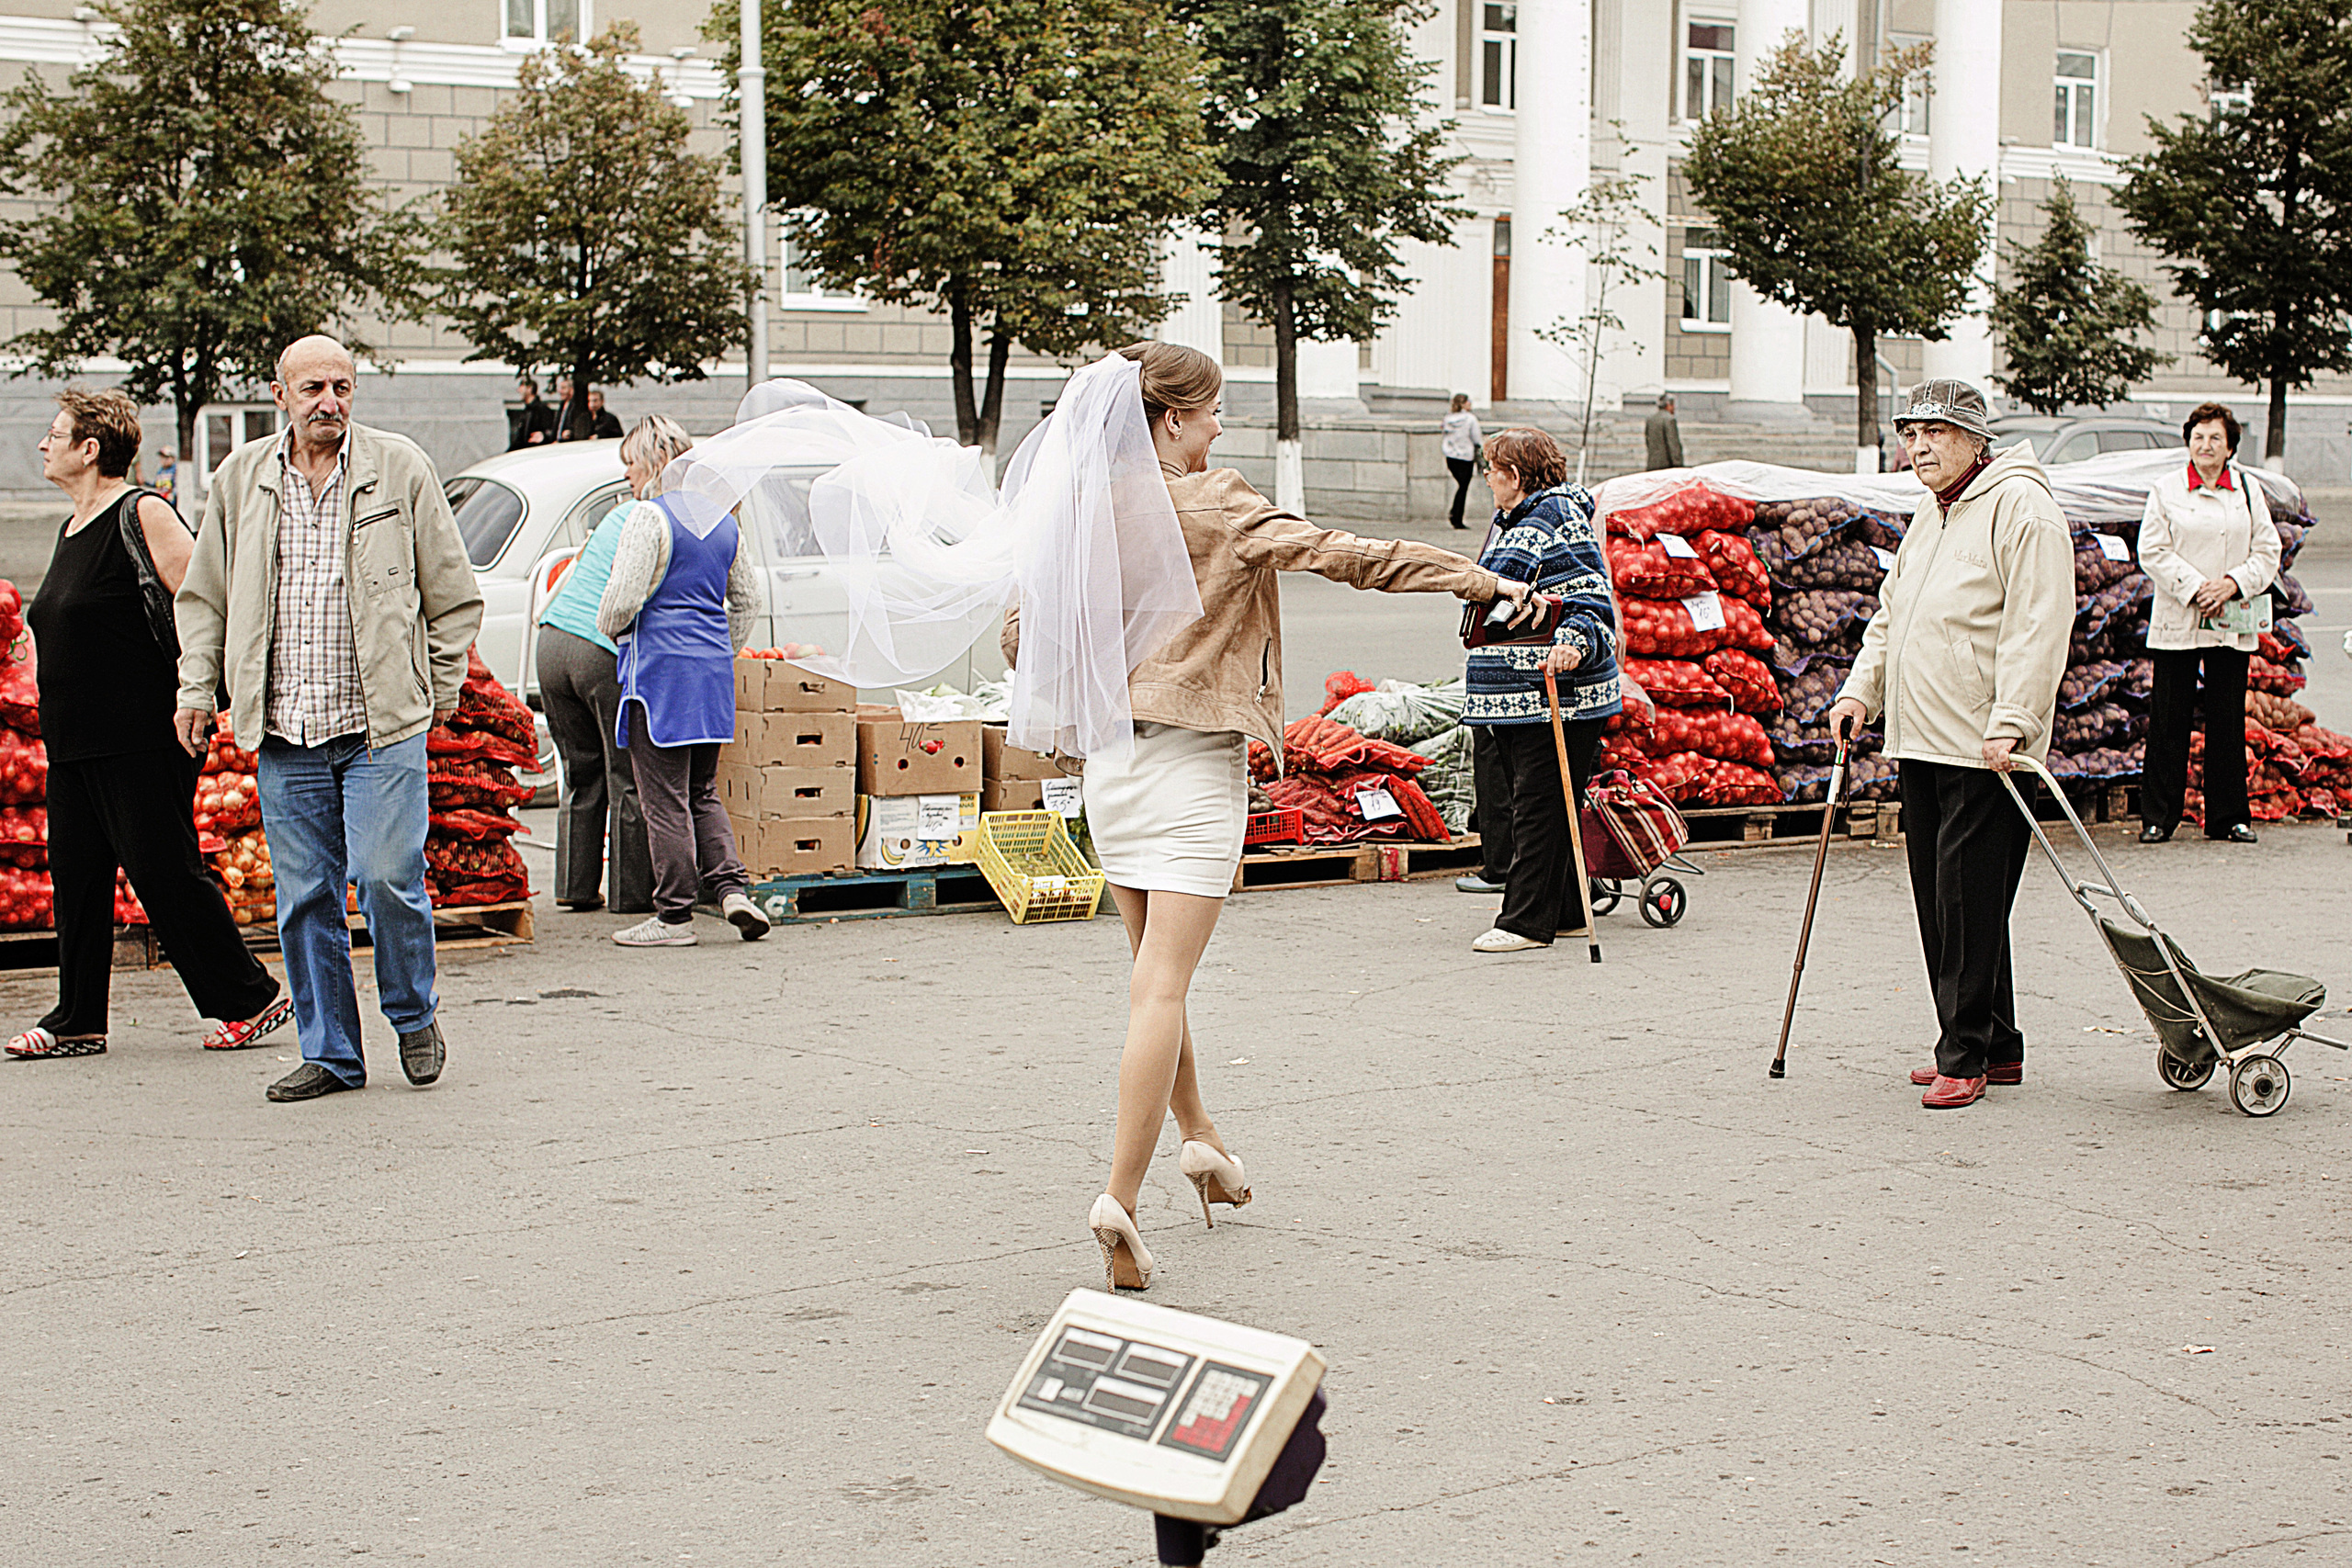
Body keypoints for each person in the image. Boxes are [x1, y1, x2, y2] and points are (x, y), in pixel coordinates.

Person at [1001, 344, 1527, 1293]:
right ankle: (1119, 1196)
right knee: (1158, 986)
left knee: (1152, 977)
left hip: (1112, 766)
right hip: (1195, 764)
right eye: (1207, 413)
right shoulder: (1219, 500)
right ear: (1168, 420)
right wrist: (1481, 582)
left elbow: (1018, 634)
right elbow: (1346, 555)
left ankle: (1200, 1141)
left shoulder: (1081, 509)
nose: (1217, 429)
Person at [173, 334, 485, 1103]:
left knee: (386, 879)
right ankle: (334, 1053)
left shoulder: (398, 468)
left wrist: (437, 691)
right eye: (313, 388)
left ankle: (413, 1013)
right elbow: (205, 596)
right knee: (306, 896)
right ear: (280, 394)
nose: (330, 403)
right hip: (286, 729)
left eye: (342, 387)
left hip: (379, 724)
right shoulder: (242, 478)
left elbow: (453, 596)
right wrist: (194, 688)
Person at [4, 389, 293, 1062]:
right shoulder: (72, 525)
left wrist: (196, 695)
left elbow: (200, 602)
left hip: (137, 733)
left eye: (55, 434)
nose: (43, 445)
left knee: (163, 871)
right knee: (76, 879)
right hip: (75, 741)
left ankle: (248, 997)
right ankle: (78, 1016)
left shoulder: (143, 512)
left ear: (90, 449)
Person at [1824, 379, 2072, 1111]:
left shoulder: (2022, 507)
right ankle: (1996, 1043)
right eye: (1911, 432)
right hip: (1922, 734)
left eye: (1935, 431)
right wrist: (1859, 691)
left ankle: (1961, 1054)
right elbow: (1891, 615)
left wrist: (2015, 718)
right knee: (1951, 896)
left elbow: (2040, 621)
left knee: (1966, 899)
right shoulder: (1931, 515)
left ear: (1973, 437)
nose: (1919, 446)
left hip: (1984, 740)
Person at [594, 415, 771, 948]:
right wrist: (721, 648)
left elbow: (622, 599)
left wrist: (611, 628)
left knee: (663, 797)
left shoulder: (648, 519)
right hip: (711, 674)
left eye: (630, 465)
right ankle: (732, 889)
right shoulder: (726, 524)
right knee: (703, 789)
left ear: (652, 463)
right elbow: (748, 601)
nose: (627, 477)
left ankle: (674, 916)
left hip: (659, 675)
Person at [1460, 427, 1623, 953]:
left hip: (1553, 694)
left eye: (1492, 468)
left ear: (1515, 475)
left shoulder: (1557, 518)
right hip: (1512, 697)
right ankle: (1569, 911)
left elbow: (1591, 599)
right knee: (1542, 802)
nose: (1485, 477)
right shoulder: (1512, 520)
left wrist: (1574, 642)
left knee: (1538, 804)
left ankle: (1525, 922)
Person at [2137, 401, 2280, 845]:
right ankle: (2159, 818)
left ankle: (2228, 817)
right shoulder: (2166, 489)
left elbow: (2267, 550)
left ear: (2230, 446)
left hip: (2229, 618)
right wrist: (2198, 587)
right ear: (2188, 442)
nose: (2206, 445)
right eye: (2198, 437)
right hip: (2181, 614)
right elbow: (2153, 550)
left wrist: (2233, 584)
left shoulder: (2248, 492)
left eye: (2215, 438)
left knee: (2226, 720)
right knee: (2168, 719)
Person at [534, 442, 656, 914]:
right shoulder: (652, 520)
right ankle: (631, 895)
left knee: (582, 771)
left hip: (553, 642)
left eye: (630, 464)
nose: (626, 473)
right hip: (597, 651)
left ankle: (575, 885)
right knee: (627, 771)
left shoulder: (613, 516)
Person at [1442, 393, 1483, 529]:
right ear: (1464, 404)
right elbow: (1476, 438)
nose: (1470, 404)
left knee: (1461, 486)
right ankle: (1456, 516)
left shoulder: (1448, 419)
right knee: (1463, 487)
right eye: (1468, 402)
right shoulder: (1471, 419)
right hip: (1466, 457)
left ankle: (1455, 514)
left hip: (1451, 456)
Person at [510, 377, 557, 450]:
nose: (518, 390)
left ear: (530, 389)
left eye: (521, 386)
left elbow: (551, 432)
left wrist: (543, 436)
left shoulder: (542, 410)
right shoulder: (527, 411)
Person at [1644, 393, 1684, 470]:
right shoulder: (1669, 419)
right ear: (1668, 405)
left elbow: (1648, 441)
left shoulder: (1651, 420)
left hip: (1652, 465)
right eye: (1673, 405)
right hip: (1666, 466)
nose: (1673, 408)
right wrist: (1678, 464)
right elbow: (1673, 444)